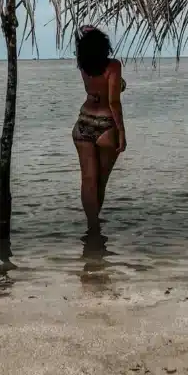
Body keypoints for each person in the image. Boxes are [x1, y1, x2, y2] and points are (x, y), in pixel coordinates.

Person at [72, 26, 126, 231]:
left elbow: (82, 46)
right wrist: (122, 132)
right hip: (105, 125)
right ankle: (95, 228)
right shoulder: (113, 66)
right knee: (100, 182)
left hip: (83, 122)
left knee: (88, 180)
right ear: (105, 46)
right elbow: (113, 102)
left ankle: (91, 226)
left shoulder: (83, 65)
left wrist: (86, 34)